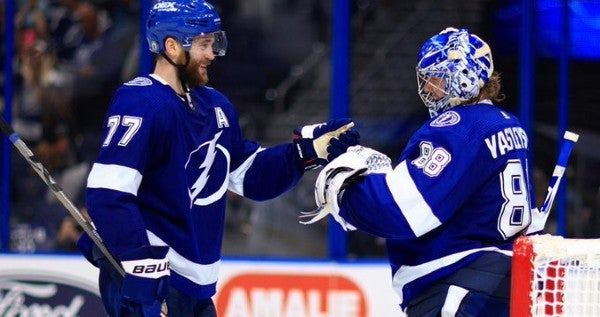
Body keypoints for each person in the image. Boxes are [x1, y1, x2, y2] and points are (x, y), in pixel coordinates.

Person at [76, 0, 359, 316]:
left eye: (214, 44)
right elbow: (108, 192)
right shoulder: (141, 101)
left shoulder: (216, 107)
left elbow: (249, 177)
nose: (212, 54)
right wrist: (138, 259)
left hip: (194, 289)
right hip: (150, 280)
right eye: (203, 45)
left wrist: (303, 153)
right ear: (171, 46)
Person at [304, 27, 538, 316]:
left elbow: (400, 210)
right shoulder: (508, 125)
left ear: (463, 78)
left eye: (436, 79)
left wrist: (344, 189)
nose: (427, 90)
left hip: (459, 289)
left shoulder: (458, 127)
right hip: (504, 289)